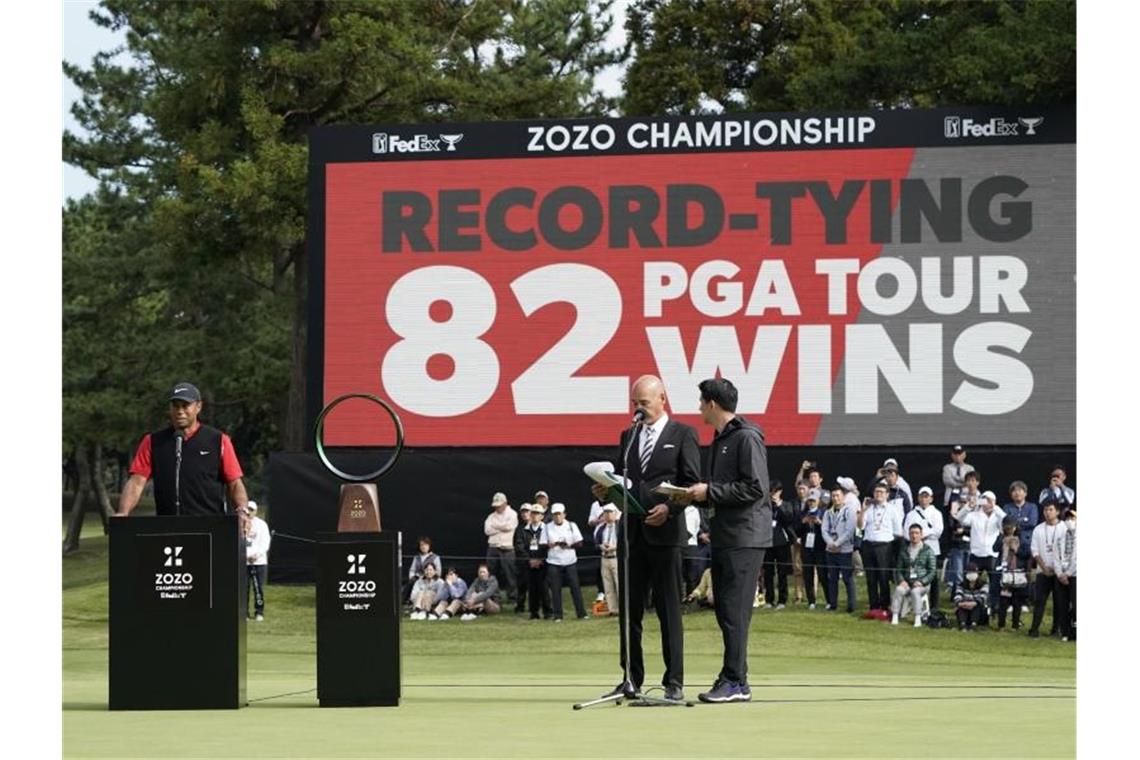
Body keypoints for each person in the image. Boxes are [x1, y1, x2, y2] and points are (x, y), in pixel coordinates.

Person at [594, 375, 700, 704]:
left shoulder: (683, 434)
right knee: (630, 611)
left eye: (644, 402)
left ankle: (674, 681)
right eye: (634, 404)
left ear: (662, 399)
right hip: (632, 534)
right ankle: (631, 678)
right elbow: (623, 480)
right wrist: (604, 492)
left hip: (666, 534)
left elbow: (692, 484)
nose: (638, 409)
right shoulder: (628, 436)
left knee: (669, 609)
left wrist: (669, 509)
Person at [680, 377, 771, 704]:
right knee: (726, 611)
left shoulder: (745, 438)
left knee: (733, 611)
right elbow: (727, 492)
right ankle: (736, 679)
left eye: (701, 401)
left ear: (713, 404)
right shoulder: (721, 439)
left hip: (744, 537)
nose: (699, 407)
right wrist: (696, 496)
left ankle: (734, 681)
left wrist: (711, 491)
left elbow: (755, 488)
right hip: (725, 534)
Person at [117, 382, 250, 525]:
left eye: (185, 406)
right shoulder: (153, 441)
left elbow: (235, 483)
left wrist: (242, 511)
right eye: (175, 406)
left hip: (210, 526)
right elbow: (136, 482)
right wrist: (123, 512)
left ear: (198, 406)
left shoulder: (218, 440)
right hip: (167, 527)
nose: (180, 411)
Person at [955, 490, 1006, 612]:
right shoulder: (975, 514)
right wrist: (968, 506)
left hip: (992, 555)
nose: (986, 503)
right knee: (971, 580)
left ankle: (994, 606)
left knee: (995, 582)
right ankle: (970, 605)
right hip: (976, 554)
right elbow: (959, 518)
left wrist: (995, 507)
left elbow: (1005, 521)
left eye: (989, 500)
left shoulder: (997, 516)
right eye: (984, 499)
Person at [858, 482, 904, 613]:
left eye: (881, 492)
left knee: (884, 576)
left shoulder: (892, 509)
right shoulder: (869, 508)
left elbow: (898, 531)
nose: (878, 494)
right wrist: (863, 510)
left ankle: (885, 605)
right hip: (868, 545)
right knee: (871, 577)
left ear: (887, 495)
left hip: (884, 546)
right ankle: (873, 605)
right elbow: (860, 526)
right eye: (876, 492)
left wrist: (889, 543)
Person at [1028, 499, 1068, 638]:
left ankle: (1055, 629)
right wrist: (1044, 567)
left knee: (1059, 602)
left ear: (1057, 511)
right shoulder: (1038, 528)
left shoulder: (1064, 527)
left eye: (1050, 509)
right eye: (1045, 510)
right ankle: (1034, 629)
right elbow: (1035, 551)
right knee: (1039, 601)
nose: (1047, 512)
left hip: (1060, 571)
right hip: (1042, 571)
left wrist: (1060, 569)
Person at [543, 503, 587, 621]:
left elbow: (580, 542)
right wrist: (550, 544)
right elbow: (542, 543)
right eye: (555, 514)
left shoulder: (571, 525)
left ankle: (581, 613)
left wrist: (569, 545)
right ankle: (558, 615)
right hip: (554, 561)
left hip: (570, 561)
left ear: (564, 514)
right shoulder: (547, 527)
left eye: (559, 514)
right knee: (555, 589)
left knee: (575, 587)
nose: (557, 517)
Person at [903, 486, 944, 609]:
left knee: (933, 579)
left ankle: (934, 607)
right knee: (914, 576)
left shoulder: (936, 513)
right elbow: (906, 532)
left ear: (931, 499)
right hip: (915, 551)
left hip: (933, 550)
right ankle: (913, 604)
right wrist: (925, 534)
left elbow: (938, 531)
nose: (924, 499)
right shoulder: (911, 514)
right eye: (922, 496)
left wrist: (921, 535)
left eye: (926, 496)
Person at [891, 524, 936, 627]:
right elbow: (898, 570)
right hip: (907, 582)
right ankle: (895, 615)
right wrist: (901, 581)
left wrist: (922, 581)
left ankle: (917, 617)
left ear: (921, 535)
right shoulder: (904, 550)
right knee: (898, 590)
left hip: (922, 584)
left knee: (915, 592)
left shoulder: (928, 551)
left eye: (916, 533)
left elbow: (932, 571)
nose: (914, 536)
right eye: (911, 533)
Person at [822, 483, 857, 612]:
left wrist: (837, 544)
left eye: (838, 496)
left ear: (843, 497)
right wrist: (831, 544)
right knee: (832, 578)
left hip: (845, 550)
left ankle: (851, 605)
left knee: (847, 578)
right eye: (833, 496)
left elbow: (849, 531)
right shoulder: (828, 512)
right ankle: (833, 604)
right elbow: (824, 530)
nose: (835, 498)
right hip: (830, 550)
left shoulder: (849, 511)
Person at [946, 471, 983, 590]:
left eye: (974, 481)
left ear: (978, 482)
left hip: (975, 536)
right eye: (969, 480)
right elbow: (953, 514)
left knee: (971, 567)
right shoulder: (958, 496)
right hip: (959, 535)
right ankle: (957, 593)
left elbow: (982, 517)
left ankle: (970, 592)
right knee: (958, 568)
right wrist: (957, 528)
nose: (971, 483)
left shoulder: (982, 498)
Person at [762, 479, 795, 609]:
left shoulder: (786, 505)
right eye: (771, 492)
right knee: (768, 572)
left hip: (782, 542)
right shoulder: (766, 505)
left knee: (782, 572)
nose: (773, 494)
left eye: (775, 492)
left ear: (780, 492)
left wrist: (779, 506)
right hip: (767, 542)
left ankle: (782, 600)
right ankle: (769, 600)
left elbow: (788, 520)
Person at [484, 492, 518, 605]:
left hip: (507, 548)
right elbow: (487, 530)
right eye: (496, 505)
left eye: (499, 505)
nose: (497, 507)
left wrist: (496, 526)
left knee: (509, 573)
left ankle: (512, 597)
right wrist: (501, 527)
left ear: (505, 503)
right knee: (492, 573)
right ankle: (495, 597)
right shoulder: (491, 516)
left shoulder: (512, 514)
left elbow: (509, 527)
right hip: (493, 548)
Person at [995, 518, 1029, 630]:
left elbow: (1027, 554)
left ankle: (1015, 625)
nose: (1009, 529)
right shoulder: (1001, 539)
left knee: (1017, 601)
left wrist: (1016, 550)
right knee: (1003, 600)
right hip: (1005, 573)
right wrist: (1001, 538)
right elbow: (994, 548)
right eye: (1007, 526)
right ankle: (1001, 625)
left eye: (1011, 526)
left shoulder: (1021, 540)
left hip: (1018, 573)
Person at [521, 503, 552, 620]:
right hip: (529, 564)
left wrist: (540, 560)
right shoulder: (524, 530)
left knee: (544, 588)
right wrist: (529, 560)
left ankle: (548, 612)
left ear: (542, 516)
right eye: (533, 513)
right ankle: (534, 613)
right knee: (532, 588)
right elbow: (520, 547)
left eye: (537, 513)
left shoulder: (546, 529)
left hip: (543, 564)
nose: (534, 516)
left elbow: (548, 546)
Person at [796, 496, 826, 609]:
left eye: (814, 500)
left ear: (818, 501)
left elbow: (827, 528)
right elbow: (797, 530)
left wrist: (819, 522)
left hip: (819, 547)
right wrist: (803, 522)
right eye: (810, 501)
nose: (811, 503)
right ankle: (811, 601)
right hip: (806, 547)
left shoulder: (823, 512)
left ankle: (829, 600)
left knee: (822, 574)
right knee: (807, 575)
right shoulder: (802, 513)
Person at [245, 500, 271, 622]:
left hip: (258, 562)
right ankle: (243, 613)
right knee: (243, 589)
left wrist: (257, 555)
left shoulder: (262, 525)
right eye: (247, 510)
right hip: (243, 562)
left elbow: (265, 543)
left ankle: (259, 612)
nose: (249, 512)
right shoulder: (240, 524)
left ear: (255, 511)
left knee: (258, 588)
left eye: (251, 510)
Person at [593, 504, 621, 615]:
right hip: (604, 557)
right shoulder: (600, 528)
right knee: (608, 584)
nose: (608, 515)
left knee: (619, 583)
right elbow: (596, 543)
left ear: (615, 513)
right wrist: (601, 546)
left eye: (610, 512)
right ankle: (613, 609)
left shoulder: (620, 526)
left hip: (616, 556)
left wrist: (615, 547)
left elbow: (625, 541)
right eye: (605, 513)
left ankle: (623, 607)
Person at [1057, 509, 1076, 642]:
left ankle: (1076, 632)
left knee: (1076, 605)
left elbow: (1076, 559)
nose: (1070, 521)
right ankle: (1065, 632)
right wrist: (1060, 574)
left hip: (1075, 575)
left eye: (1073, 518)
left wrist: (1068, 573)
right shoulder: (1060, 537)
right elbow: (1056, 556)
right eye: (1067, 518)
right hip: (1061, 576)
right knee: (1062, 605)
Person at [953, 564, 989, 631]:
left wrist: (973, 603)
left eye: (973, 572)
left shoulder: (984, 584)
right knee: (960, 608)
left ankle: (973, 625)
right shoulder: (961, 584)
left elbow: (983, 597)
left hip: (978, 608)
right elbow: (957, 596)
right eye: (969, 572)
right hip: (964, 605)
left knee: (977, 606)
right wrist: (961, 604)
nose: (971, 574)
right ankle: (962, 625)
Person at [405, 536, 442, 601]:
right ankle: (405, 600)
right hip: (418, 577)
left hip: (430, 577)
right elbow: (412, 569)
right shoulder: (416, 557)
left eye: (425, 545)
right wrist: (412, 577)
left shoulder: (435, 557)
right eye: (421, 545)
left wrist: (430, 576)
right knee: (411, 582)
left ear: (429, 546)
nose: (423, 547)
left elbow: (438, 571)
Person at [512, 504, 533, 613]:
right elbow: (518, 546)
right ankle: (520, 607)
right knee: (522, 585)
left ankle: (534, 606)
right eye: (523, 512)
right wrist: (529, 558)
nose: (525, 514)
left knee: (536, 585)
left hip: (536, 562)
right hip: (522, 563)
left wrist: (535, 558)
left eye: (527, 511)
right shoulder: (519, 529)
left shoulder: (538, 526)